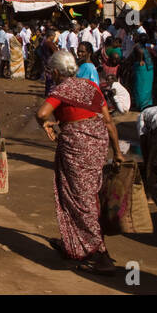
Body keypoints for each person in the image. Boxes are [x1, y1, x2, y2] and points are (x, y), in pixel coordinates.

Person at [36, 50, 123, 274]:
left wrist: (47, 124)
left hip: (77, 147)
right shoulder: (91, 86)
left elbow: (41, 113)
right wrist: (117, 153)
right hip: (98, 143)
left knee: (81, 199)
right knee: (89, 194)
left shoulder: (62, 89)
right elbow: (108, 120)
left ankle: (100, 255)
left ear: (56, 72)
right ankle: (74, 243)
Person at [127, 33, 154, 111]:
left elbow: (139, 52)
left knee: (141, 87)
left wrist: (141, 59)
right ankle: (145, 104)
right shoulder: (143, 47)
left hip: (143, 69)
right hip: (147, 69)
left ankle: (142, 104)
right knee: (144, 87)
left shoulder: (138, 46)